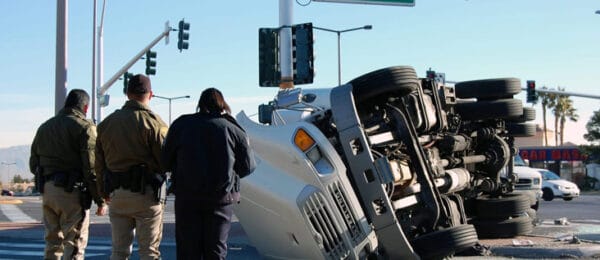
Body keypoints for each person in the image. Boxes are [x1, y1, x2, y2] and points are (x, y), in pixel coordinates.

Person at [162, 88, 256, 259]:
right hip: (220, 199)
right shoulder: (232, 128)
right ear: (222, 105)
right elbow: (248, 166)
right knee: (216, 250)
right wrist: (231, 175)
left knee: (187, 250)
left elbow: (165, 160)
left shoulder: (182, 125)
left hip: (187, 198)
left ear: (200, 104)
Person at [95, 74, 168, 260]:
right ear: (150, 94)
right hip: (146, 195)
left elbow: (99, 164)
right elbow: (164, 161)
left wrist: (103, 193)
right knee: (149, 253)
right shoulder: (154, 123)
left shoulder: (106, 124)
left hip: (117, 195)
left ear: (127, 93)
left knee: (119, 252)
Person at [29, 89, 107, 260]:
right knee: (73, 246)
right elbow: (91, 168)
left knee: (52, 243)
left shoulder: (45, 127)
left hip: (48, 192)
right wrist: (100, 199)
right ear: (85, 108)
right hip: (72, 194)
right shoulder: (85, 128)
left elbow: (33, 164)